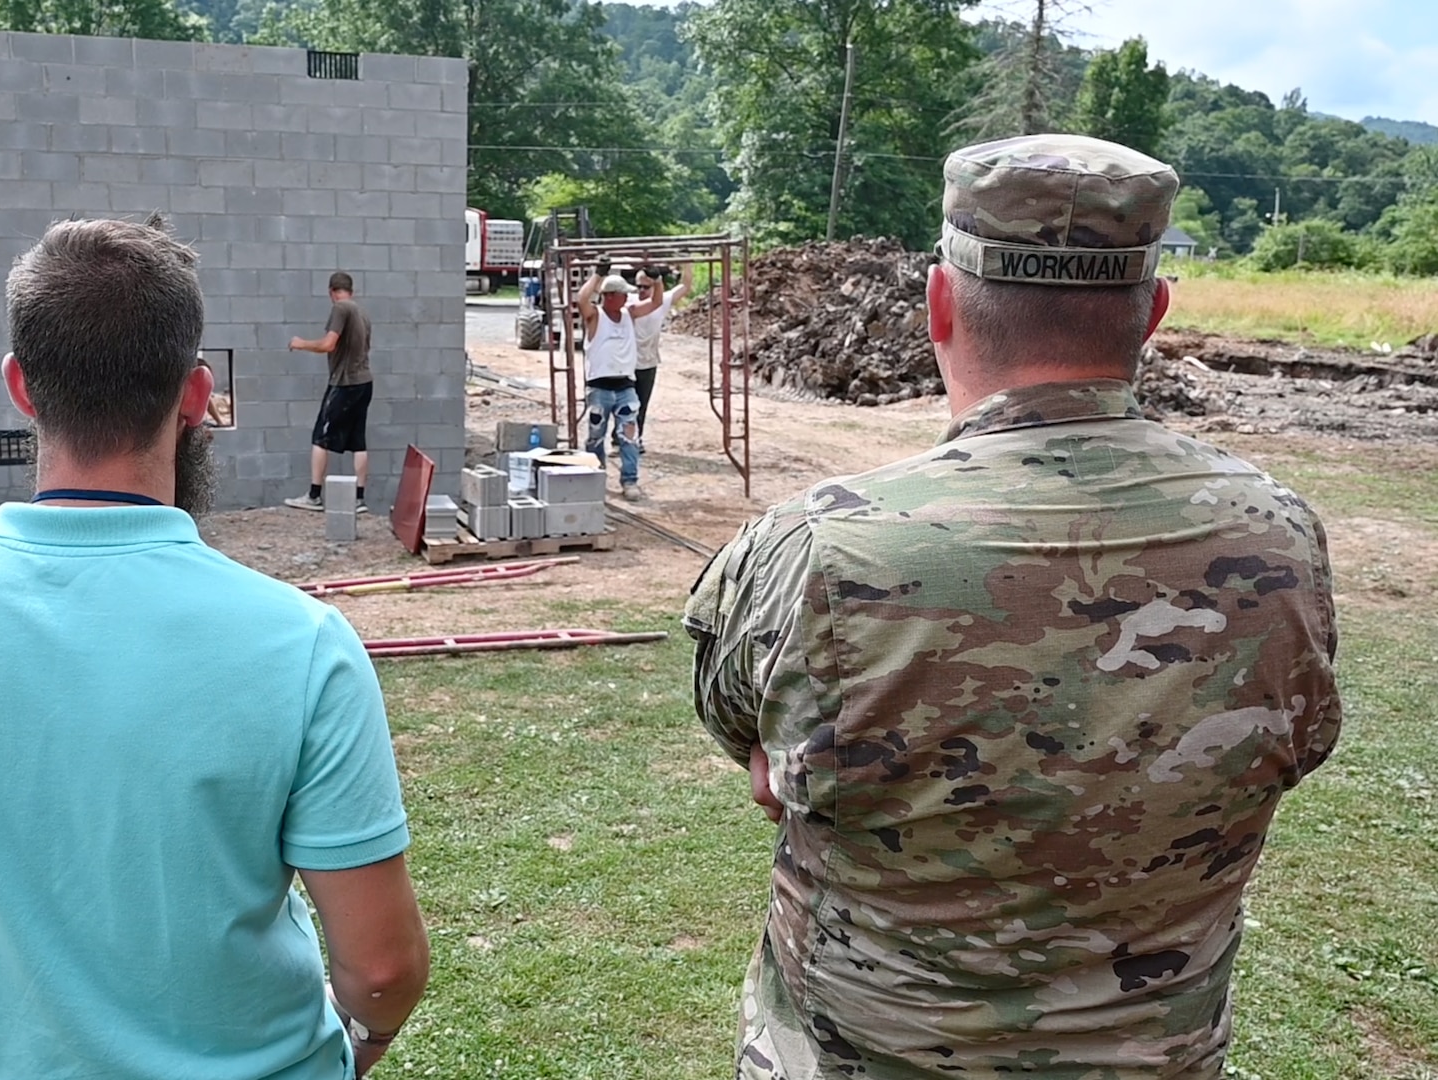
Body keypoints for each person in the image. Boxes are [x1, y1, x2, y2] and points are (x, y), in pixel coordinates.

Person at [684, 135, 1342, 1079]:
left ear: (937, 303)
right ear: (1153, 309)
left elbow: (756, 758)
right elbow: (1289, 748)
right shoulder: (1277, 534)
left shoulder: (814, 547)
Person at [0, 217, 429, 1080]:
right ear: (197, 396)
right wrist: (368, 1040)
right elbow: (381, 968)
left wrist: (32, 1002)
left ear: (22, 387)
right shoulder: (300, 642)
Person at [575, 257, 664, 501]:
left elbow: (656, 301)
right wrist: (597, 275)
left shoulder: (629, 314)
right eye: (623, 294)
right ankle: (595, 475)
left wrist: (657, 279)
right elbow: (582, 299)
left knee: (629, 437)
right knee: (596, 437)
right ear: (610, 296)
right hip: (599, 387)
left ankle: (629, 480)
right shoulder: (596, 316)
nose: (628, 297)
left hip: (625, 385)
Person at [286, 271, 374, 513]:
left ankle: (314, 496)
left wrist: (300, 343)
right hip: (364, 382)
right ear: (351, 291)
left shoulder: (341, 309)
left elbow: (328, 344)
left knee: (320, 437)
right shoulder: (362, 312)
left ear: (331, 292)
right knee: (358, 441)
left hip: (344, 383)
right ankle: (359, 499)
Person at [628, 261, 692, 448]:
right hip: (627, 362)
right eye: (638, 286)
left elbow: (686, 286)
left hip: (648, 361)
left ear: (655, 286)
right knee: (625, 404)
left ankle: (636, 439)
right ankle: (622, 440)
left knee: (641, 405)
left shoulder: (662, 301)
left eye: (646, 287)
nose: (641, 290)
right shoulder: (630, 301)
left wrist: (688, 262)